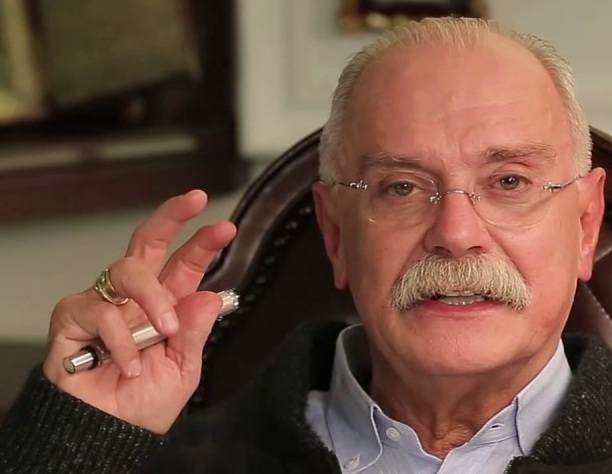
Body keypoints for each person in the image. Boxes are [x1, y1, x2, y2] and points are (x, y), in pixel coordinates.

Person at [0, 16, 610, 474]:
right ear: (335, 233)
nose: (455, 234)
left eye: (509, 183)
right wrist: (77, 442)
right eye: (401, 187)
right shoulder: (171, 458)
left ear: (585, 225)